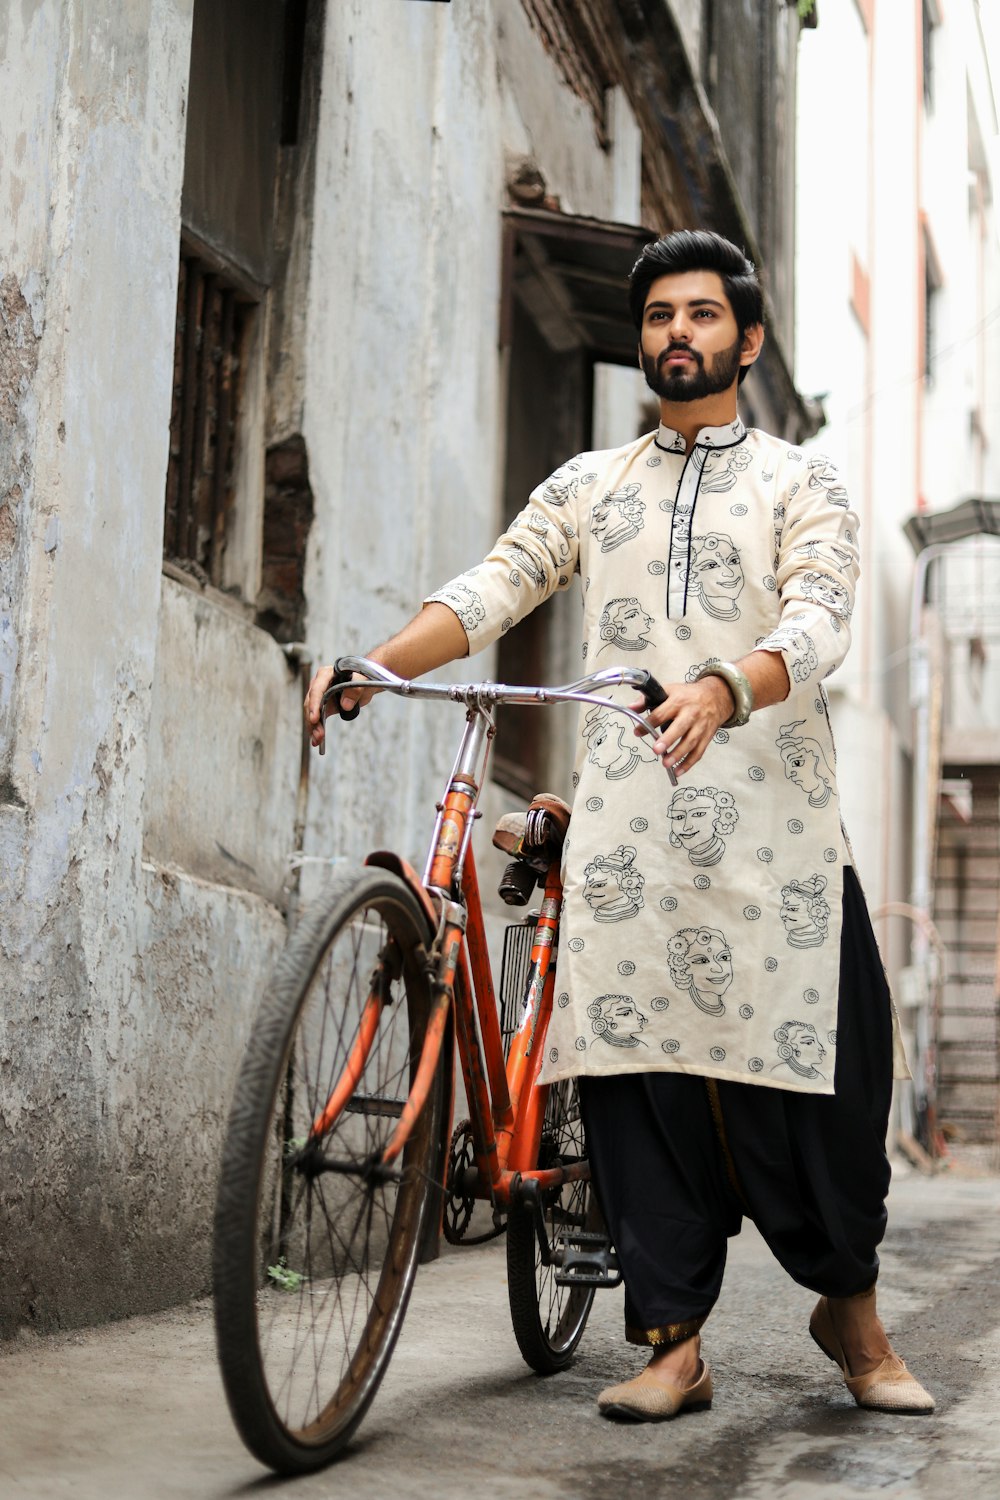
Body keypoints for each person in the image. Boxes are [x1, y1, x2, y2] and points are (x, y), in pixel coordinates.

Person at [305, 229, 932, 1422]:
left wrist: (721, 686)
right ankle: (671, 1347)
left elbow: (819, 617)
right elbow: (497, 584)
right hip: (628, 856)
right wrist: (375, 667)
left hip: (779, 850)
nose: (675, 336)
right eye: (657, 319)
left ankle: (850, 1318)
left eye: (701, 316)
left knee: (825, 1107)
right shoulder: (590, 484)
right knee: (638, 1102)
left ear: (746, 341)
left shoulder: (805, 482)